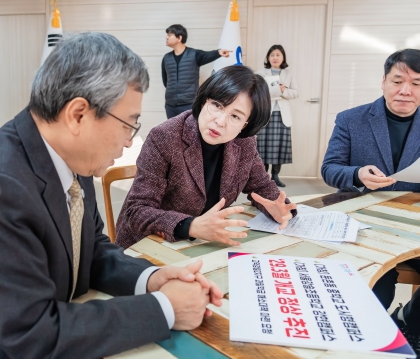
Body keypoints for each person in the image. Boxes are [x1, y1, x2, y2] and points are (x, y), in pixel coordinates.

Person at [0, 32, 223, 359]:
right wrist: (164, 309)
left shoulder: (70, 157)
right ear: (78, 115)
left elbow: (91, 250)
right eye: (129, 124)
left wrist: (151, 278)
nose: (129, 142)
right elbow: (34, 334)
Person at [321, 48, 420, 359]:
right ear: (383, 81)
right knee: (375, 291)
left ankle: (408, 325)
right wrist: (356, 173)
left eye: (417, 83)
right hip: (361, 221)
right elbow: (330, 168)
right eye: (397, 80)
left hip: (414, 222)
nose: (405, 91)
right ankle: (367, 343)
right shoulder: (351, 119)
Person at [116, 65, 297, 250]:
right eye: (217, 105)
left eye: (235, 116)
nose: (220, 121)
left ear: (245, 124)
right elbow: (136, 211)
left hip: (201, 245)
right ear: (204, 102)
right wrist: (191, 226)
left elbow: (261, 187)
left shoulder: (245, 143)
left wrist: (281, 209)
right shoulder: (165, 137)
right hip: (148, 246)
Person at [162, 24, 231, 119]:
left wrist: (219, 53)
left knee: (189, 131)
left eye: (169, 35)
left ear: (179, 38)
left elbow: (207, 55)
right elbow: (166, 81)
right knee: (172, 132)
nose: (166, 37)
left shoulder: (194, 54)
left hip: (188, 104)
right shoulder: (166, 58)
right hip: (170, 105)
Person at [255, 45, 298, 187]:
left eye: (278, 55)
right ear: (268, 57)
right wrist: (275, 91)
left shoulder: (289, 73)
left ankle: (275, 176)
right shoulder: (261, 73)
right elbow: (257, 92)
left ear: (283, 57)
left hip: (282, 116)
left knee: (279, 147)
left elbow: (295, 93)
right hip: (266, 113)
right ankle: (263, 177)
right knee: (264, 147)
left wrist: (284, 90)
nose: (275, 57)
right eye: (272, 55)